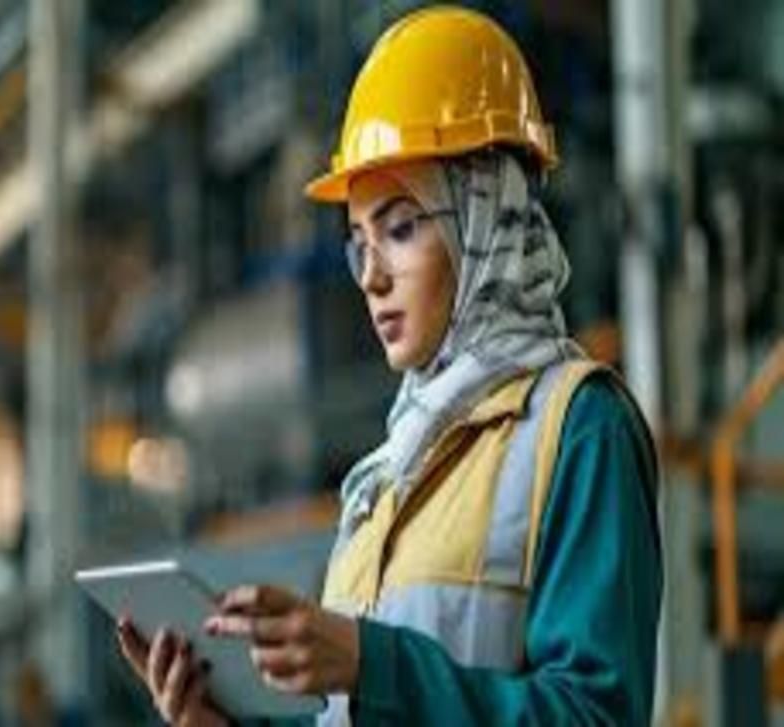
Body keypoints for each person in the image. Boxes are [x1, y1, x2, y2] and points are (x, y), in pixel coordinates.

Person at [115, 6, 662, 725]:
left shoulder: (578, 426)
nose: (371, 277)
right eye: (359, 244)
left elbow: (598, 716)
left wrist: (376, 662)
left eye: (401, 229)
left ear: (484, 220)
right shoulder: (386, 477)